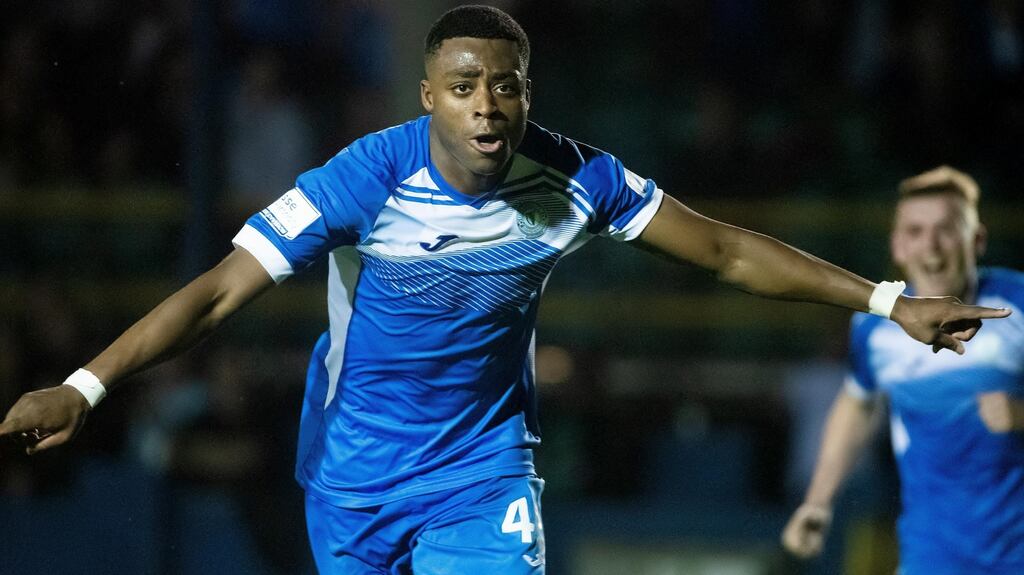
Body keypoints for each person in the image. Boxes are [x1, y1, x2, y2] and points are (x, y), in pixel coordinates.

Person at [0, 6, 1011, 574]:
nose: (488, 104)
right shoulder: (365, 178)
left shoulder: (577, 178)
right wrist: (84, 386)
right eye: (465, 86)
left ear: (527, 92)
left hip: (483, 473)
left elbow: (723, 251)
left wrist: (891, 301)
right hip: (352, 474)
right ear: (429, 97)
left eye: (506, 84)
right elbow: (220, 292)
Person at [781, 165, 1024, 574]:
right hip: (931, 557)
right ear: (897, 246)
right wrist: (818, 502)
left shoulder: (1018, 302)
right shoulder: (875, 328)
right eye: (915, 231)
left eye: (947, 229)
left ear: (977, 240)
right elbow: (858, 403)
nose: (931, 246)